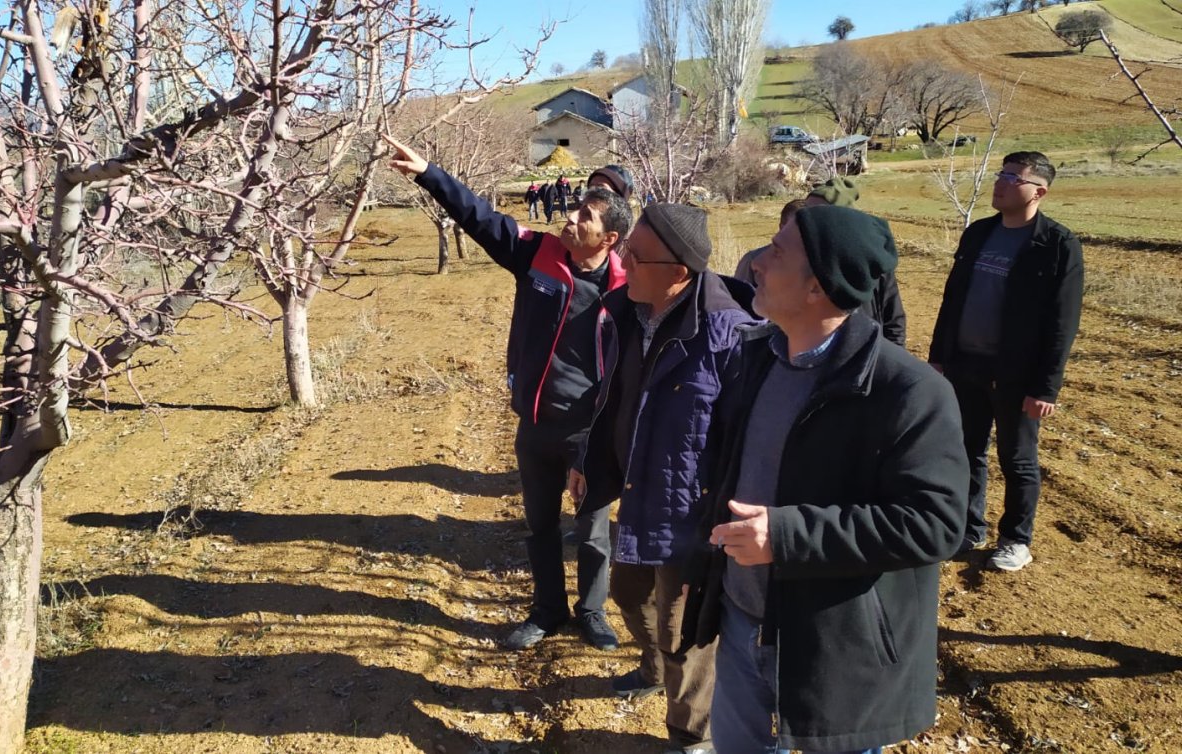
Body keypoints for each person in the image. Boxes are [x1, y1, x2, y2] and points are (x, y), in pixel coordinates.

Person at [683, 204, 968, 754]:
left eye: (776, 251)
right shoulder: (756, 358)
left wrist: (786, 537)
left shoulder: (906, 391)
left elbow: (936, 524)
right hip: (743, 621)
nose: (758, 263)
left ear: (817, 287)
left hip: (834, 645)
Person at [384, 133, 632, 651]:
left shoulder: (629, 289)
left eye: (584, 217)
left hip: (591, 432)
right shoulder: (537, 254)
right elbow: (478, 217)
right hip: (538, 423)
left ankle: (592, 612)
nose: (568, 218)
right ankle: (547, 611)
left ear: (608, 239)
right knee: (540, 524)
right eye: (574, 207)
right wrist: (430, 172)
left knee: (592, 532)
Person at [570, 204, 755, 754]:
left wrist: (725, 509)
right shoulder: (628, 316)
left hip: (693, 512)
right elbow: (611, 400)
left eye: (636, 255)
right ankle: (652, 671)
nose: (622, 262)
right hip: (638, 494)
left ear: (679, 270)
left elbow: (746, 434)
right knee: (628, 595)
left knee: (685, 631)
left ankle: (692, 736)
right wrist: (588, 457)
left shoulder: (730, 334)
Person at [928, 151, 1084, 571]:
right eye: (1001, 174)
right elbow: (952, 298)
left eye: (1013, 178)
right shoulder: (979, 234)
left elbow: (1062, 323)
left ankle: (1015, 539)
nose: (1000, 183)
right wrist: (939, 357)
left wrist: (1044, 388)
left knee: (1017, 460)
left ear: (1040, 191)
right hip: (964, 365)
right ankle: (968, 528)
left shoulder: (1056, 245)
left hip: (1015, 375)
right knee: (966, 451)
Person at [736, 178, 906, 346]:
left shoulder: (874, 266)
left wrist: (888, 362)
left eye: (819, 214)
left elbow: (894, 323)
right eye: (806, 211)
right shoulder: (771, 262)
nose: (807, 221)